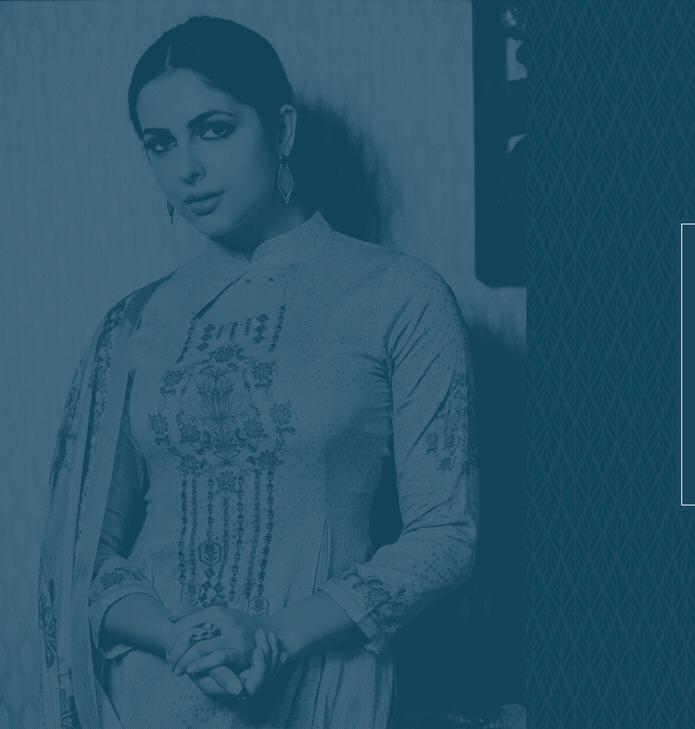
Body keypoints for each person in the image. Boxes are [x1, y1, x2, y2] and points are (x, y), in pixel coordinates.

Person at [37, 15, 478, 728]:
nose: (186, 167)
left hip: (319, 678)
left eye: (213, 130)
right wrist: (176, 637)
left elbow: (447, 534)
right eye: (160, 143)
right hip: (149, 688)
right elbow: (82, 556)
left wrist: (273, 634)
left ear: (283, 129)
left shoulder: (397, 295)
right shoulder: (133, 323)